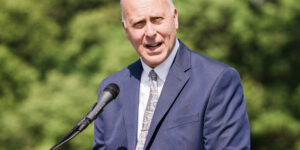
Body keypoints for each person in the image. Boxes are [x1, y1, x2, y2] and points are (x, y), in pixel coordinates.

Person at [92, 0, 250, 149]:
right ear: (126, 30)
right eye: (139, 23)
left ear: (175, 18)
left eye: (156, 19)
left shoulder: (217, 80)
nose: (150, 32)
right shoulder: (111, 90)